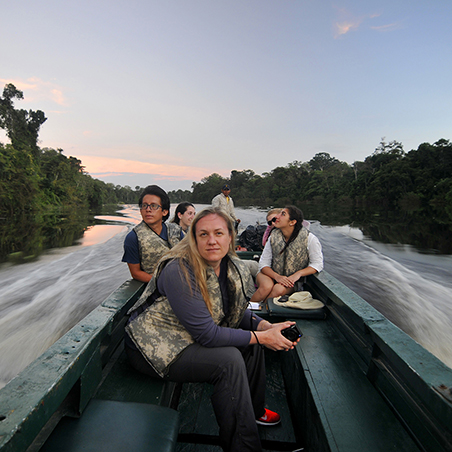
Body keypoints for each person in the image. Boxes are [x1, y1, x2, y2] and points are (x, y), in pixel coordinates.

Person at [125, 207, 300, 452]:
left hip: (189, 335)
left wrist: (265, 326)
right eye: (203, 234)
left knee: (252, 345)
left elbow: (235, 311)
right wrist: (261, 337)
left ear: (230, 237)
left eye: (219, 233)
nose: (212, 241)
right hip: (154, 348)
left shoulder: (229, 266)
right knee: (229, 360)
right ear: (194, 239)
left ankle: (255, 410)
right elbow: (207, 335)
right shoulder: (180, 270)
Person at [250, 205, 323, 303]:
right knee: (266, 287)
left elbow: (317, 264)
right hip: (269, 274)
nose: (277, 217)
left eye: (283, 214)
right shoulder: (273, 236)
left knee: (278, 290)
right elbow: (264, 264)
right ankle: (247, 312)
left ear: (292, 222)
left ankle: (260, 310)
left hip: (291, 280)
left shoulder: (309, 238)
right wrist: (277, 277)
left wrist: (298, 274)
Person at [122, 185, 183, 283]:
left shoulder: (176, 231)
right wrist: (163, 283)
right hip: (158, 290)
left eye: (154, 206)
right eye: (144, 205)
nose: (148, 209)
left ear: (164, 211)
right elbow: (135, 273)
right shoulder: (133, 238)